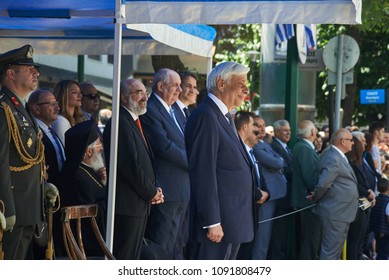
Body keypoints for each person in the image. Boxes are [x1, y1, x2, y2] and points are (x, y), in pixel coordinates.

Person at [185, 61, 255, 260]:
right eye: (241, 83)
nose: (246, 89)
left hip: (231, 221)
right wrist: (212, 221)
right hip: (217, 226)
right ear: (221, 84)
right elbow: (203, 172)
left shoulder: (223, 116)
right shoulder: (206, 116)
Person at [0, 45, 57, 259]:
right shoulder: (3, 108)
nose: (36, 73)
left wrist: (42, 187)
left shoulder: (20, 108)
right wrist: (6, 207)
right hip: (11, 209)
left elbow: (30, 157)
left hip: (29, 206)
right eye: (28, 68)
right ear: (11, 73)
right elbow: (1, 161)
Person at [103, 78, 164, 260]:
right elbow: (131, 166)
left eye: (145, 92)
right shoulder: (121, 122)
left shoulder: (133, 120)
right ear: (123, 97)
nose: (144, 97)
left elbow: (143, 162)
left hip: (138, 203)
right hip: (127, 205)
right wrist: (150, 192)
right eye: (138, 93)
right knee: (125, 258)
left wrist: (154, 189)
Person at [140, 68, 190, 260]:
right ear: (160, 86)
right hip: (167, 189)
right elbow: (164, 147)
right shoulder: (151, 109)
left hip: (182, 189)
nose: (180, 90)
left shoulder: (174, 110)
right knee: (162, 248)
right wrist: (193, 162)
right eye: (175, 85)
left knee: (176, 246)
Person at [309, 128, 359, 260]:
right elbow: (324, 183)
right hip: (335, 212)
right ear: (343, 141)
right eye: (351, 140)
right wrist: (315, 197)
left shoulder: (336, 155)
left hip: (340, 212)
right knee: (330, 252)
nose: (353, 143)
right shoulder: (333, 157)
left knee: (334, 252)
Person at [60, 120, 107, 256]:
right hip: (87, 245)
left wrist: (104, 180)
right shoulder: (75, 176)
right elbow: (90, 213)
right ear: (88, 151)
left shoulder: (91, 170)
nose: (102, 148)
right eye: (99, 144)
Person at [251, 115, 286, 260]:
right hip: (264, 194)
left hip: (272, 194)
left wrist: (278, 162)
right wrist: (278, 163)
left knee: (266, 237)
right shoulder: (256, 146)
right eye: (258, 125)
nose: (262, 128)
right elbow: (278, 163)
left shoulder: (265, 143)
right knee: (262, 237)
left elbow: (279, 160)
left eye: (264, 125)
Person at [290, 120, 322, 260]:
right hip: (308, 201)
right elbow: (309, 176)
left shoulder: (304, 146)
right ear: (312, 133)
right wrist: (319, 192)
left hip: (307, 200)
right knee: (310, 240)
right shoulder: (304, 148)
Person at [345, 135, 376, 260]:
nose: (365, 145)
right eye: (362, 143)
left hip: (363, 206)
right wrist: (368, 193)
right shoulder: (351, 163)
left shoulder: (359, 161)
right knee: (354, 240)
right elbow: (355, 183)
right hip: (356, 206)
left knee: (359, 240)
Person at [28, 88, 65, 187]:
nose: (57, 108)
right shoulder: (32, 133)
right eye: (52, 104)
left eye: (56, 104)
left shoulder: (50, 130)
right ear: (36, 108)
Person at [268, 119, 293, 260]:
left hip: (287, 197)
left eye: (289, 130)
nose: (288, 132)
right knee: (278, 232)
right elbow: (285, 169)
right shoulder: (275, 146)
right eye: (285, 130)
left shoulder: (287, 147)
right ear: (276, 133)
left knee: (283, 232)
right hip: (281, 198)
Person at [51, 80, 84, 145]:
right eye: (74, 92)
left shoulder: (77, 119)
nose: (80, 95)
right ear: (63, 95)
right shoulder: (60, 121)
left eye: (80, 92)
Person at [369, 177, 389, 260]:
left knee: (380, 252)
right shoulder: (387, 201)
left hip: (376, 230)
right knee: (384, 254)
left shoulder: (375, 199)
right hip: (386, 232)